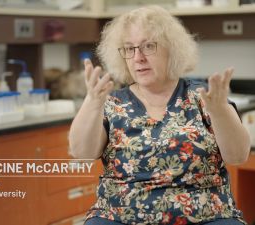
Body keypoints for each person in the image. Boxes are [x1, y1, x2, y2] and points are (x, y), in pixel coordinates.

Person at [69, 5, 251, 225]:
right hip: (119, 217)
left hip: (207, 216)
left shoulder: (204, 96)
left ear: (171, 49)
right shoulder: (111, 102)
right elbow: (82, 152)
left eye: (148, 46)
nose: (138, 57)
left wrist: (221, 111)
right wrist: (92, 102)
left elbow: (238, 155)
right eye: (129, 48)